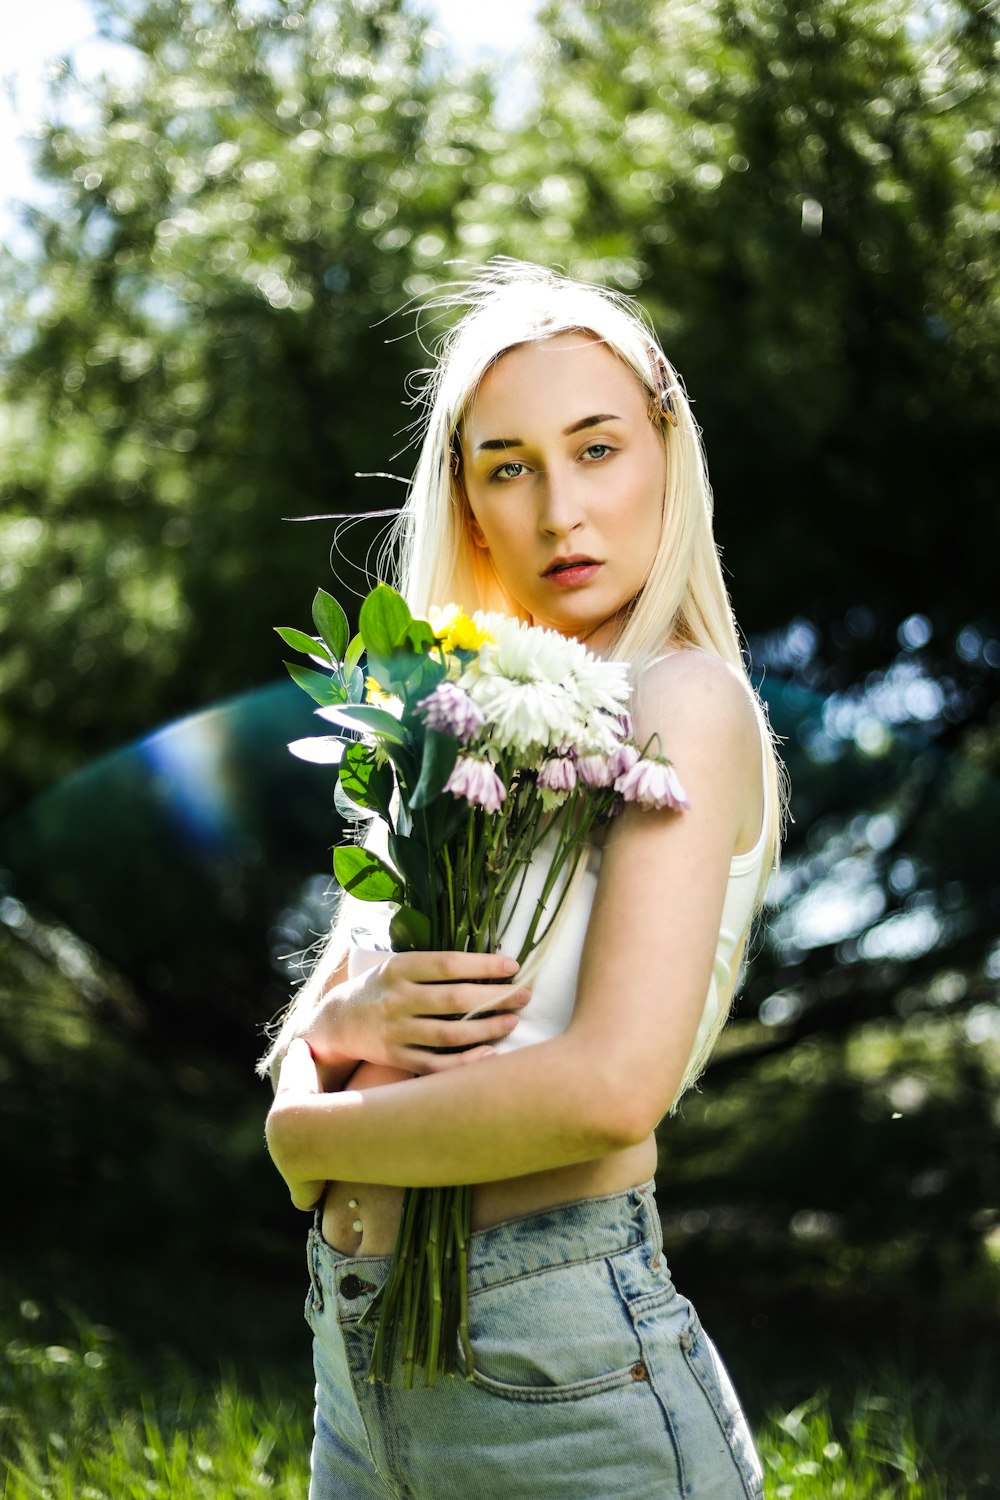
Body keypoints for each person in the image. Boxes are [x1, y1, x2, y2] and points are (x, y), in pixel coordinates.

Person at [261, 261, 785, 1500]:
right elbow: (330, 1012)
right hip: (356, 1366)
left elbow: (609, 1089)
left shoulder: (680, 699)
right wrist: (329, 1029)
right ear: (469, 498)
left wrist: (305, 1129)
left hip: (562, 1377)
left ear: (666, 452)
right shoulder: (440, 718)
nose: (560, 513)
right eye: (510, 467)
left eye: (596, 449)